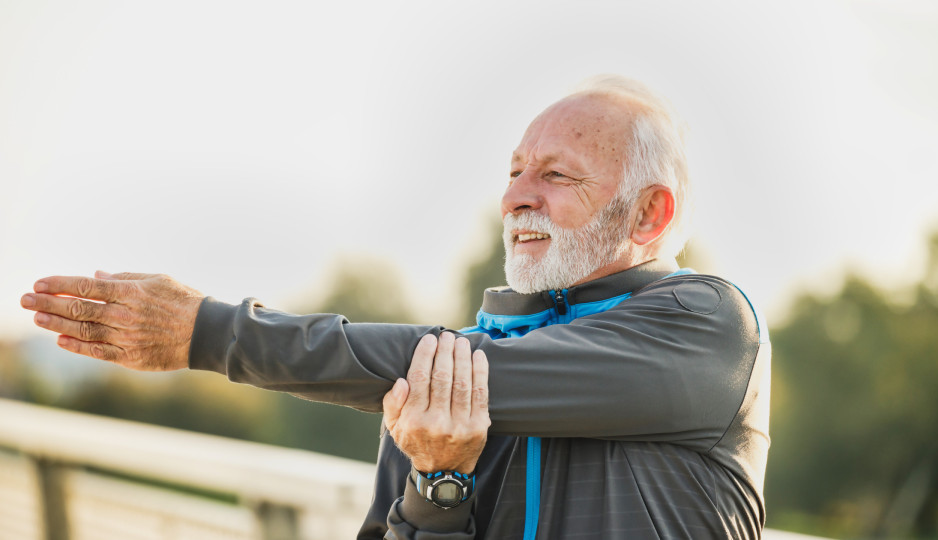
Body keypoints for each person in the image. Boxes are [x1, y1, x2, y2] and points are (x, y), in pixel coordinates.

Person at [20, 75, 770, 539]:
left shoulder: (707, 324)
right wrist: (436, 490)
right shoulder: (438, 376)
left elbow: (475, 371)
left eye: (555, 175)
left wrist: (209, 333)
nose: (515, 196)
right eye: (512, 172)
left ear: (648, 215)